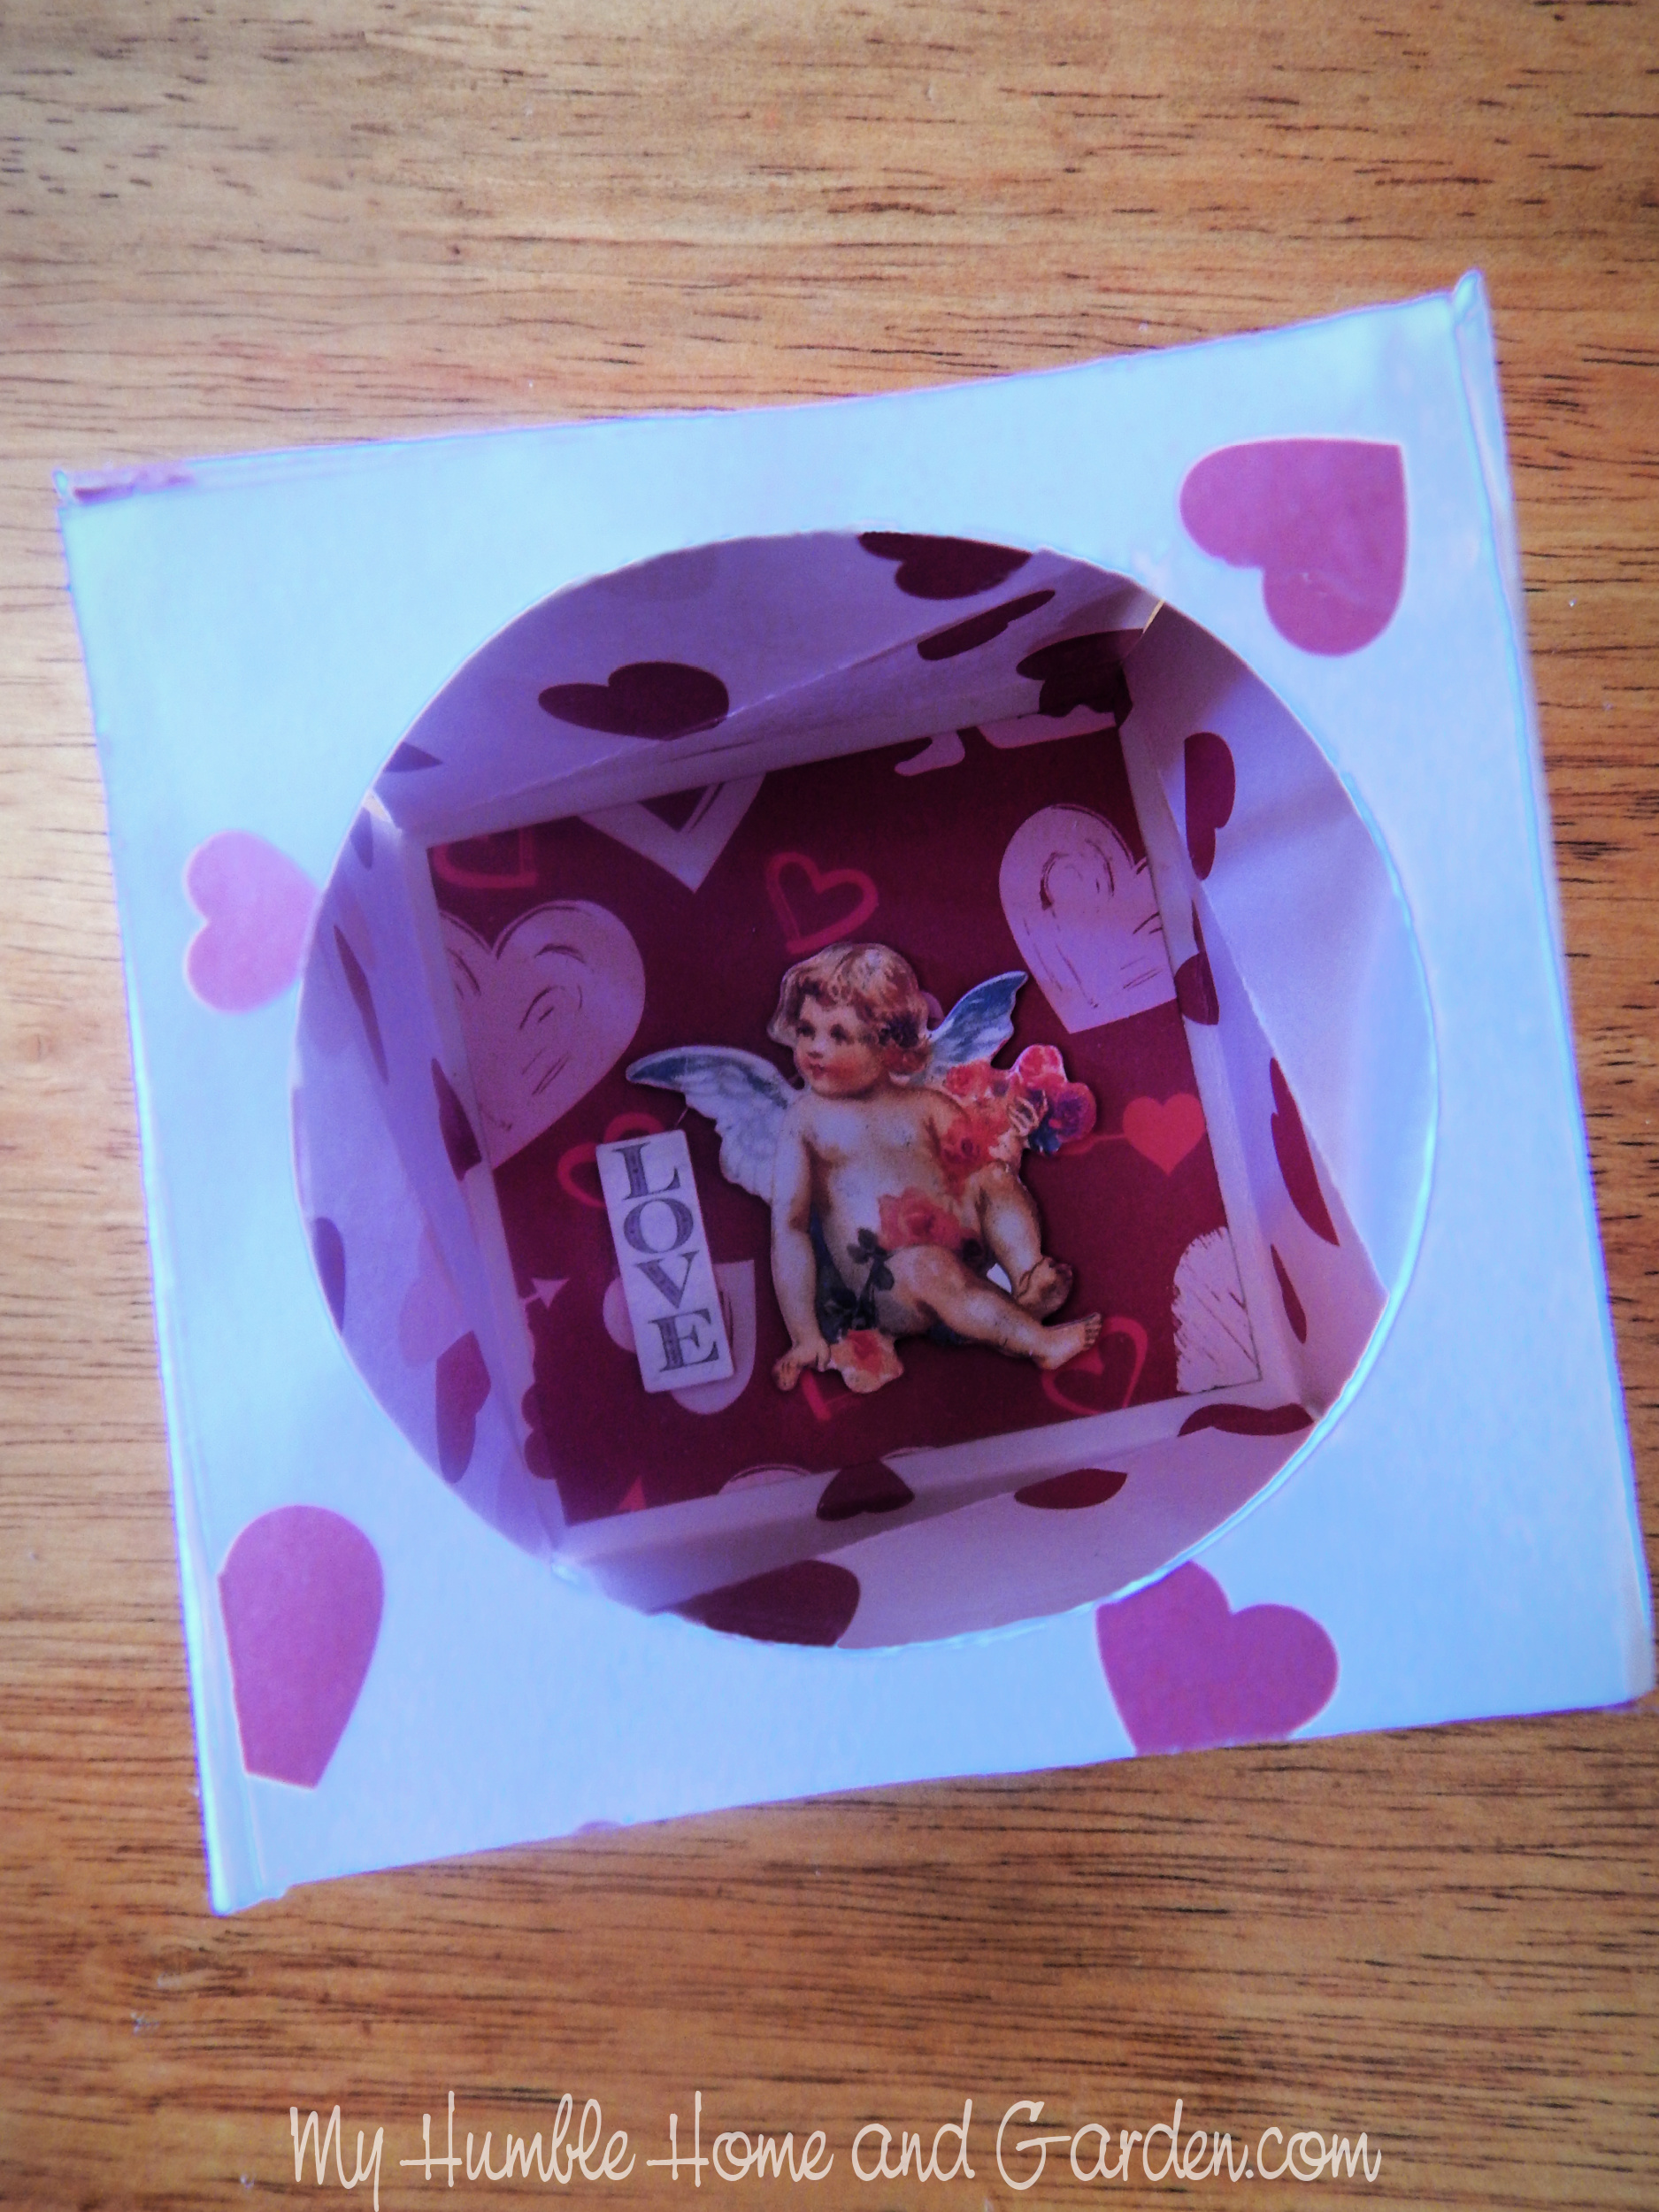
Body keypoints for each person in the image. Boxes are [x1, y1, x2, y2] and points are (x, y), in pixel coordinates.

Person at [765, 943, 1102, 1394]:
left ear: (888, 1044)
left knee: (992, 1176)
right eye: (806, 1031)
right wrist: (804, 1334)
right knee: (930, 1267)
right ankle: (1038, 1342)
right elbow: (789, 1227)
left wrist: (1013, 1137)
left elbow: (980, 1173)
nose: (814, 1049)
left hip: (962, 1260)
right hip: (891, 1288)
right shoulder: (807, 1120)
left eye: (838, 1035)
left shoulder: (926, 1104)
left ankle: (1026, 1279)